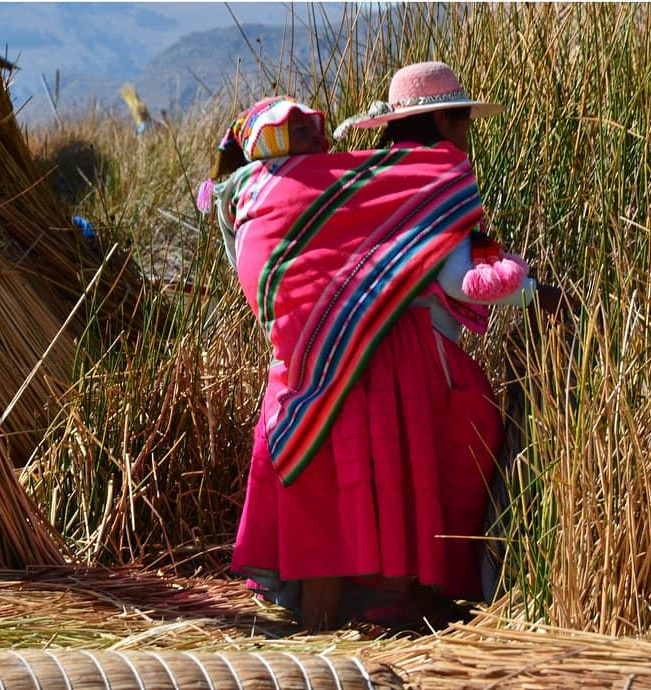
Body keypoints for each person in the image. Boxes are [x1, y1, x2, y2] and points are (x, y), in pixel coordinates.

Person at [203, 76, 555, 632]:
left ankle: (322, 628)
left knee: (327, 497)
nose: (466, 133)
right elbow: (465, 280)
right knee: (404, 487)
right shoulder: (427, 185)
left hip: (308, 371)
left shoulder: (303, 189)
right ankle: (403, 614)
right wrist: (533, 287)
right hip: (399, 371)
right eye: (461, 120)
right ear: (441, 122)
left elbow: (277, 279)